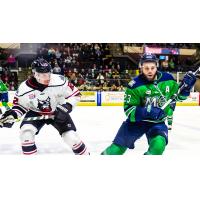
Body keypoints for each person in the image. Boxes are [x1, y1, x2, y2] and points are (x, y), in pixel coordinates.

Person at [101, 53, 197, 155]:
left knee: (159, 145)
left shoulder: (168, 79)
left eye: (152, 68)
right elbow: (129, 110)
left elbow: (177, 97)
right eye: (146, 68)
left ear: (156, 66)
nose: (150, 71)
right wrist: (148, 111)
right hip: (136, 123)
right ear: (141, 67)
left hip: (157, 123)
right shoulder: (134, 85)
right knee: (115, 150)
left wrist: (186, 88)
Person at [0, 58, 89, 155]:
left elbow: (76, 95)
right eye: (43, 75)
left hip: (58, 111)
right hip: (36, 112)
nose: (47, 77)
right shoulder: (24, 88)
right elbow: (20, 106)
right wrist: (12, 115)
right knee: (26, 134)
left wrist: (65, 108)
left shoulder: (59, 80)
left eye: (48, 74)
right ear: (35, 74)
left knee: (72, 138)